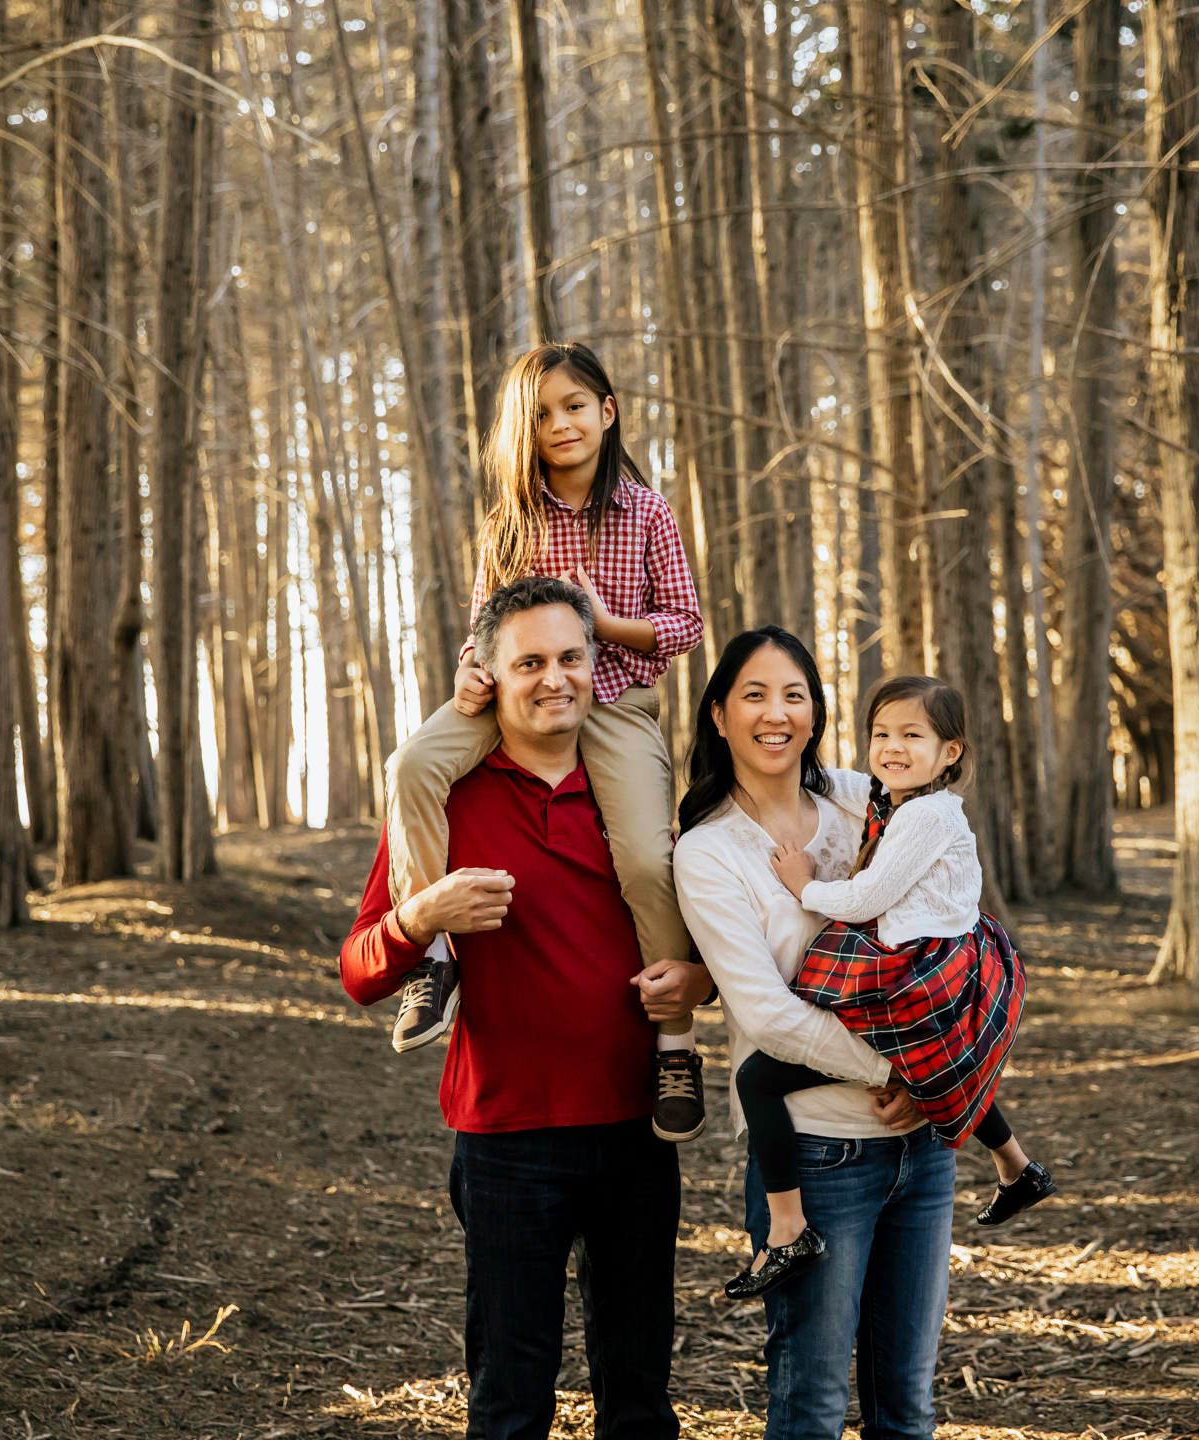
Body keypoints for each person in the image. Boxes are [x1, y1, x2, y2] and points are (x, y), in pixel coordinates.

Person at [340, 577, 706, 1440]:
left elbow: (712, 946)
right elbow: (360, 971)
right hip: (505, 1138)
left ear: (594, 667)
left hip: (637, 1131)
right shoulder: (442, 796)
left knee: (641, 1400)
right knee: (509, 1399)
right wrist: (420, 917)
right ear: (487, 675)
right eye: (531, 662)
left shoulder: (643, 811)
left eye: (571, 658)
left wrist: (701, 985)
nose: (555, 679)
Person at [381, 342, 709, 1145]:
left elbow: (685, 624)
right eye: (541, 414)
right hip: (511, 692)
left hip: (615, 699)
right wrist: (469, 674)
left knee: (640, 853)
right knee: (413, 762)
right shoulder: (509, 521)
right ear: (522, 432)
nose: (560, 424)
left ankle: (675, 1039)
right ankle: (435, 956)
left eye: (574, 405)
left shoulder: (647, 512)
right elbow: (483, 626)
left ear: (608, 411)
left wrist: (602, 625)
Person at [671, 627, 949, 1440]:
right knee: (813, 1405)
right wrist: (896, 1068)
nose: (776, 713)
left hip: (922, 1146)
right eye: (754, 695)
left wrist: (937, 1070)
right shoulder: (710, 850)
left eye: (795, 694)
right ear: (719, 714)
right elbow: (763, 1013)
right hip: (819, 1152)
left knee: (908, 1404)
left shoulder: (866, 800)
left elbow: (943, 921)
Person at [726, 674, 1053, 1299]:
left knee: (758, 1078)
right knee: (942, 1067)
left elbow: (866, 897)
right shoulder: (900, 804)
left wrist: (803, 885)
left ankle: (787, 1231)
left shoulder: (925, 816)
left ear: (950, 752)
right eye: (881, 733)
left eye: (912, 735)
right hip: (934, 957)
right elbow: (842, 793)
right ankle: (1017, 1167)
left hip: (919, 970)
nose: (892, 747)